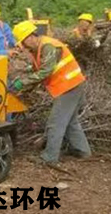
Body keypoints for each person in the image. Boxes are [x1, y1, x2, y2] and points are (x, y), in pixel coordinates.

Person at [9, 21, 92, 167]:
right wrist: (23, 82)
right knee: (71, 122)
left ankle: (49, 157)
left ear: (29, 37)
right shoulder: (40, 48)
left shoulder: (48, 46)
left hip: (69, 86)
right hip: (73, 85)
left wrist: (22, 83)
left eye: (22, 42)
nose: (23, 46)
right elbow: (38, 70)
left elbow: (45, 71)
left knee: (56, 122)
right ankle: (83, 151)